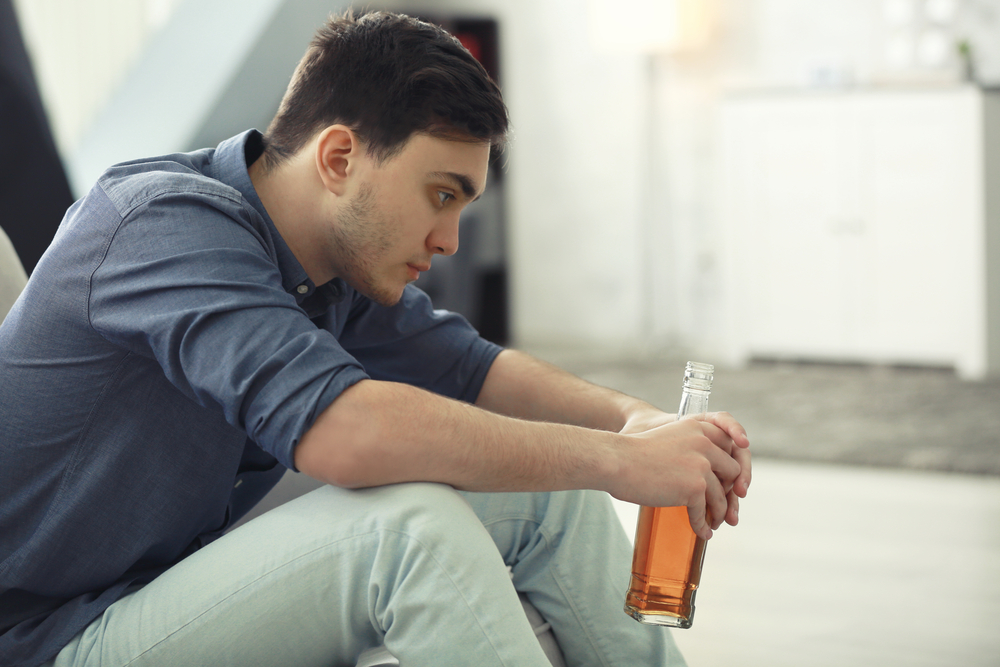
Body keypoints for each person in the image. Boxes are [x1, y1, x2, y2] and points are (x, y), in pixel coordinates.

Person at [0, 10, 751, 667]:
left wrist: (636, 422)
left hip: (162, 576)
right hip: (51, 633)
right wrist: (618, 461)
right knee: (411, 534)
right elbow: (347, 434)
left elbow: (472, 367)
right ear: (338, 159)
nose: (452, 239)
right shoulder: (160, 226)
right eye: (441, 194)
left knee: (552, 495)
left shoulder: (330, 262)